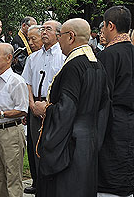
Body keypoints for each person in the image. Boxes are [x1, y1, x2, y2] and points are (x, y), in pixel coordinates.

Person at [34, 18, 110, 197]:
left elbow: (66, 110)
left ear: (71, 37)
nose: (58, 40)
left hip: (70, 145)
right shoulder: (97, 64)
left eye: (60, 35)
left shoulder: (73, 67)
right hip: (90, 141)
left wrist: (45, 109)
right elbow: (105, 107)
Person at [21, 20, 65, 195]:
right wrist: (31, 104)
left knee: (53, 148)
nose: (44, 32)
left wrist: (48, 107)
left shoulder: (63, 56)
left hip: (53, 109)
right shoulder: (33, 58)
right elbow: (28, 83)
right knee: (36, 149)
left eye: (48, 29)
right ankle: (39, 185)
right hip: (35, 108)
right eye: (42, 29)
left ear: (59, 34)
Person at [97, 6, 134, 197]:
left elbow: (103, 95)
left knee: (112, 178)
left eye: (103, 26)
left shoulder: (109, 55)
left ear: (110, 25)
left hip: (113, 122)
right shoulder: (131, 51)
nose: (101, 30)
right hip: (129, 121)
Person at [0, 43, 29, 197]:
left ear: (9, 58)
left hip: (11, 132)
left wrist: (1, 114)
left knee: (13, 176)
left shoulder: (16, 81)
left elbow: (23, 110)